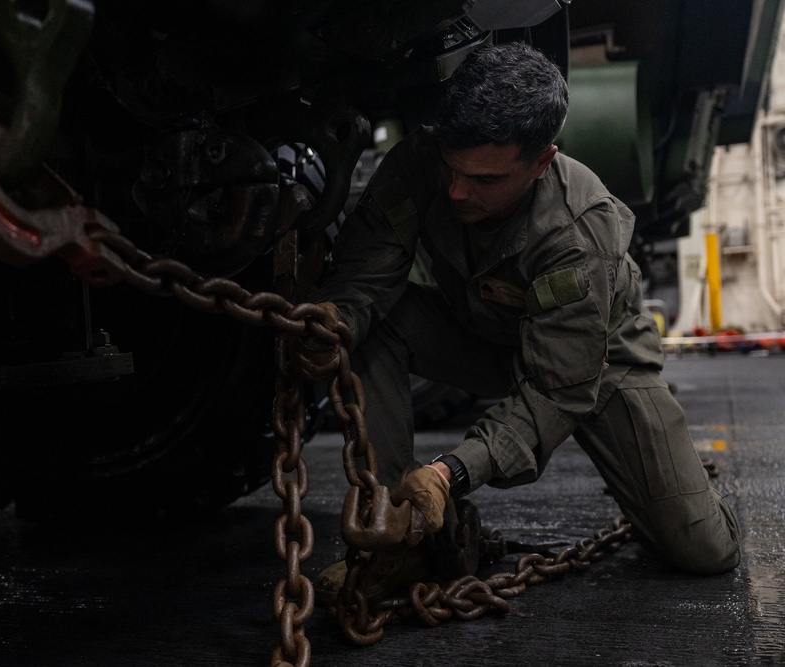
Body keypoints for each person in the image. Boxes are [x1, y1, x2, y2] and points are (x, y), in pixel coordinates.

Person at [301, 41, 740, 593]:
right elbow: (371, 273)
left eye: (484, 180)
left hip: (597, 366)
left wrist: (449, 473)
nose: (458, 191)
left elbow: (555, 391)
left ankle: (686, 481)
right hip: (484, 335)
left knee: (703, 550)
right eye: (452, 169)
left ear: (541, 163)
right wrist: (335, 319)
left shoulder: (577, 232)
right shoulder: (419, 164)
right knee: (376, 320)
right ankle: (396, 533)